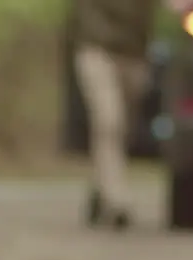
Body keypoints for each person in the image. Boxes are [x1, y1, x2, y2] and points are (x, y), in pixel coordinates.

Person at [68, 0, 170, 230]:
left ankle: (101, 187)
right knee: (108, 122)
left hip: (135, 56)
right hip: (96, 51)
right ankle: (117, 202)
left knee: (123, 131)